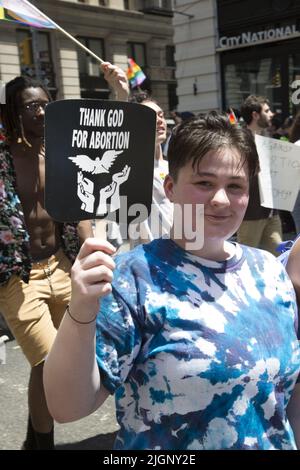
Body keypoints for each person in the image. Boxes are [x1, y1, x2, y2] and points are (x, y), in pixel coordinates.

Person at [44, 112, 300, 450]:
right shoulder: (131, 278)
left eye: (235, 186)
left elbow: (287, 399)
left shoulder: (269, 272)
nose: (220, 199)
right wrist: (81, 310)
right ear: (170, 187)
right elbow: (68, 407)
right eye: (204, 183)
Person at [0, 62, 129, 450]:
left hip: (62, 265)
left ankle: (36, 438)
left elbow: (111, 137)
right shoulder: (3, 157)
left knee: (65, 359)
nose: (39, 112)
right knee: (45, 362)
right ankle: (43, 442)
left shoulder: (61, 152)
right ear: (11, 111)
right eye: (28, 106)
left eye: (44, 104)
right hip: (19, 277)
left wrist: (120, 92)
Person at [237, 95, 282, 256]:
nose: (271, 114)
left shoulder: (267, 138)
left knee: (280, 256)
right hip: (251, 213)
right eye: (267, 111)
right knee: (247, 259)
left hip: (272, 211)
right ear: (255, 115)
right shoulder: (240, 139)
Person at [128, 91, 173, 246]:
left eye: (160, 115)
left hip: (180, 256)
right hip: (149, 261)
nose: (159, 120)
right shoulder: (133, 166)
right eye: (150, 116)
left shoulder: (173, 167)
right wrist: (120, 91)